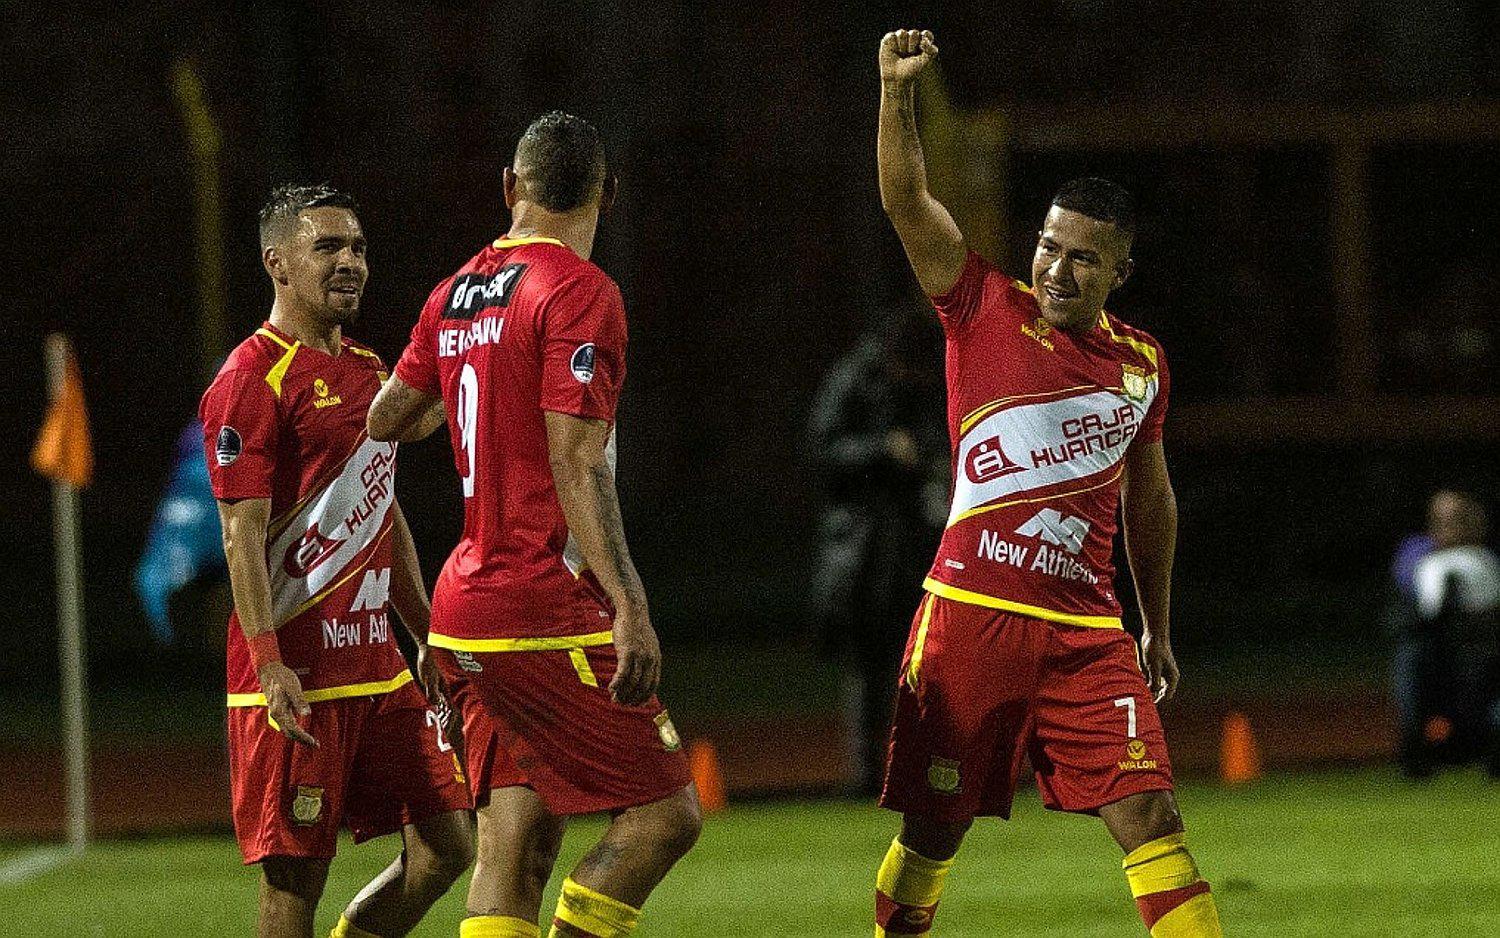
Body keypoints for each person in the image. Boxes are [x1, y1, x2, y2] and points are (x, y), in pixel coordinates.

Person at [871, 30, 1223, 937]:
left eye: (1083, 259)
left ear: (1120, 272)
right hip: (970, 614)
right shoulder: (980, 305)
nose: (1058, 270)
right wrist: (894, 93)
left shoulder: (1142, 364)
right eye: (1050, 247)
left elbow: (1150, 500)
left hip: (1088, 635)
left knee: (1152, 817)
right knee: (933, 831)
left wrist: (1159, 622)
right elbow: (907, 200)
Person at [367, 112, 700, 938]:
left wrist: (468, 380)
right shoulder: (582, 292)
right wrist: (629, 604)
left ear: (510, 189)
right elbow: (578, 463)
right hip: (539, 597)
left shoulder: (452, 294)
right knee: (667, 815)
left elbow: (385, 418)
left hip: (463, 607)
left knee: (513, 839)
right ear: (606, 196)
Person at [201, 184, 473, 938]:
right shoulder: (250, 380)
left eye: (356, 247)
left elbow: (382, 509)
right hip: (299, 675)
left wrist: (425, 632)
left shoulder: (366, 367)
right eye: (327, 247)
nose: (349, 262)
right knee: (295, 889)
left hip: (379, 668)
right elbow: (240, 538)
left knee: (450, 844)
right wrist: (268, 662)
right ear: (277, 263)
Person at [807, 307, 947, 794]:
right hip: (865, 545)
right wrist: (884, 450)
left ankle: (925, 768)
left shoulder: (931, 376)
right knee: (869, 661)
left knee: (930, 658)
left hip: (921, 537)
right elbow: (821, 449)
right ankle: (869, 774)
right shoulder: (859, 376)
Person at [1393, 490, 1500, 777]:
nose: (1451, 529)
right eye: (1444, 522)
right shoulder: (1422, 557)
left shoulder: (1485, 561)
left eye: (1458, 521)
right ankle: (1416, 750)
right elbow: (1424, 613)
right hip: (1439, 653)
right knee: (1411, 660)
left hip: (1481, 652)